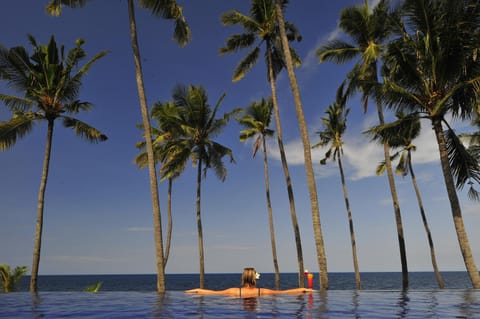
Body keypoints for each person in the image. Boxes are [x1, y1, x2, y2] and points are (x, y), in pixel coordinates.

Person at [185, 267, 315, 298]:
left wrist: (196, 290)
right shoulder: (262, 292)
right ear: (254, 279)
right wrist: (303, 289)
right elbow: (285, 292)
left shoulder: (234, 291)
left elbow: (212, 293)